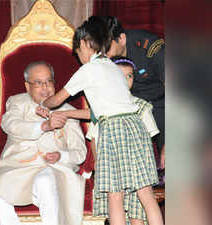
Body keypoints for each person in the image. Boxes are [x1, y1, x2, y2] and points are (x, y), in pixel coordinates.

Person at [41, 16, 163, 225]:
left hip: (113, 131)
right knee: (145, 195)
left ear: (82, 44)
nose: (79, 58)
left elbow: (57, 99)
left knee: (115, 196)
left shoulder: (88, 70)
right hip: (135, 127)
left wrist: (45, 103)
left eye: (77, 54)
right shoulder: (112, 67)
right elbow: (103, 109)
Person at [0, 61, 88, 225]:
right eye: (38, 83)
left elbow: (80, 152)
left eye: (49, 82)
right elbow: (10, 124)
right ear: (27, 86)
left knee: (44, 180)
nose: (45, 88)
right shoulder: (17, 102)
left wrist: (61, 155)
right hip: (17, 166)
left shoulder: (68, 111)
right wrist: (43, 126)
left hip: (52, 168)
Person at [86, 56, 160, 225]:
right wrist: (97, 160)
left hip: (136, 167)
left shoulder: (139, 105)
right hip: (114, 167)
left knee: (138, 212)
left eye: (130, 76)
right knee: (116, 203)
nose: (126, 80)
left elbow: (149, 137)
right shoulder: (102, 107)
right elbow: (95, 137)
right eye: (120, 76)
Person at [103, 16, 165, 168]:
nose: (103, 54)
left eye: (106, 48)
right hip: (130, 107)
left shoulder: (149, 46)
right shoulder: (103, 58)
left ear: (122, 38)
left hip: (162, 103)